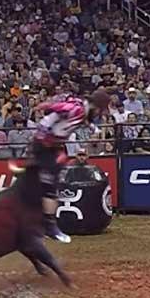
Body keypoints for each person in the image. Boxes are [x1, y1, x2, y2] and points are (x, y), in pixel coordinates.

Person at [27, 89, 110, 244]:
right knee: (49, 186)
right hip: (45, 145)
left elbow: (84, 120)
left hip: (52, 146)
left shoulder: (83, 111)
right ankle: (48, 226)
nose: (99, 114)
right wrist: (41, 134)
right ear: (96, 106)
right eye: (100, 110)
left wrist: (94, 129)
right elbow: (52, 115)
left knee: (50, 184)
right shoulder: (77, 108)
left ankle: (45, 224)